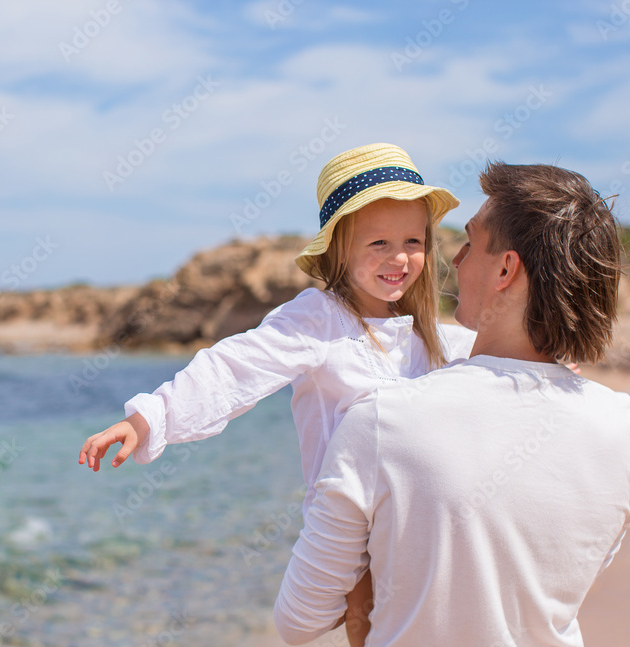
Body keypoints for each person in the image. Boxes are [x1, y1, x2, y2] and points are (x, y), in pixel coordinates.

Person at [78, 143, 476, 645]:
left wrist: (539, 359)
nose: (399, 258)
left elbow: (478, 357)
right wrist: (148, 418)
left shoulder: (429, 334)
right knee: (303, 624)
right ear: (338, 250)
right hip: (346, 524)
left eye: (413, 241)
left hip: (411, 523)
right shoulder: (319, 317)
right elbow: (233, 367)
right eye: (378, 243)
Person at [273, 161, 630, 646]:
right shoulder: (621, 425)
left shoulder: (381, 420)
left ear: (506, 269)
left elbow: (299, 621)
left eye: (470, 243)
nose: (455, 260)